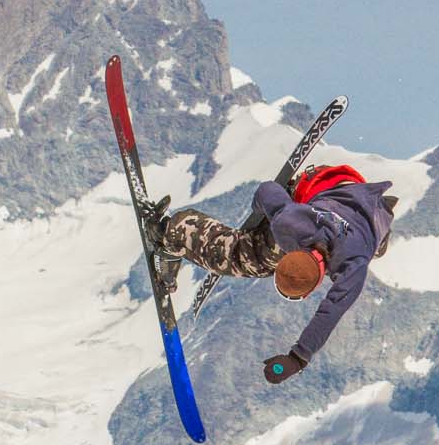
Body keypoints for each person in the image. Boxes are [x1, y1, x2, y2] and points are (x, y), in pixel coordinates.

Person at [156, 164, 397, 385]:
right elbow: (331, 309)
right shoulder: (304, 234)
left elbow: (267, 190)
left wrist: (300, 357)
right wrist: (297, 357)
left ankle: (174, 232)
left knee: (262, 254)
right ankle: (170, 232)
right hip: (352, 191)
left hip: (338, 186)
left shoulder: (350, 257)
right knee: (242, 257)